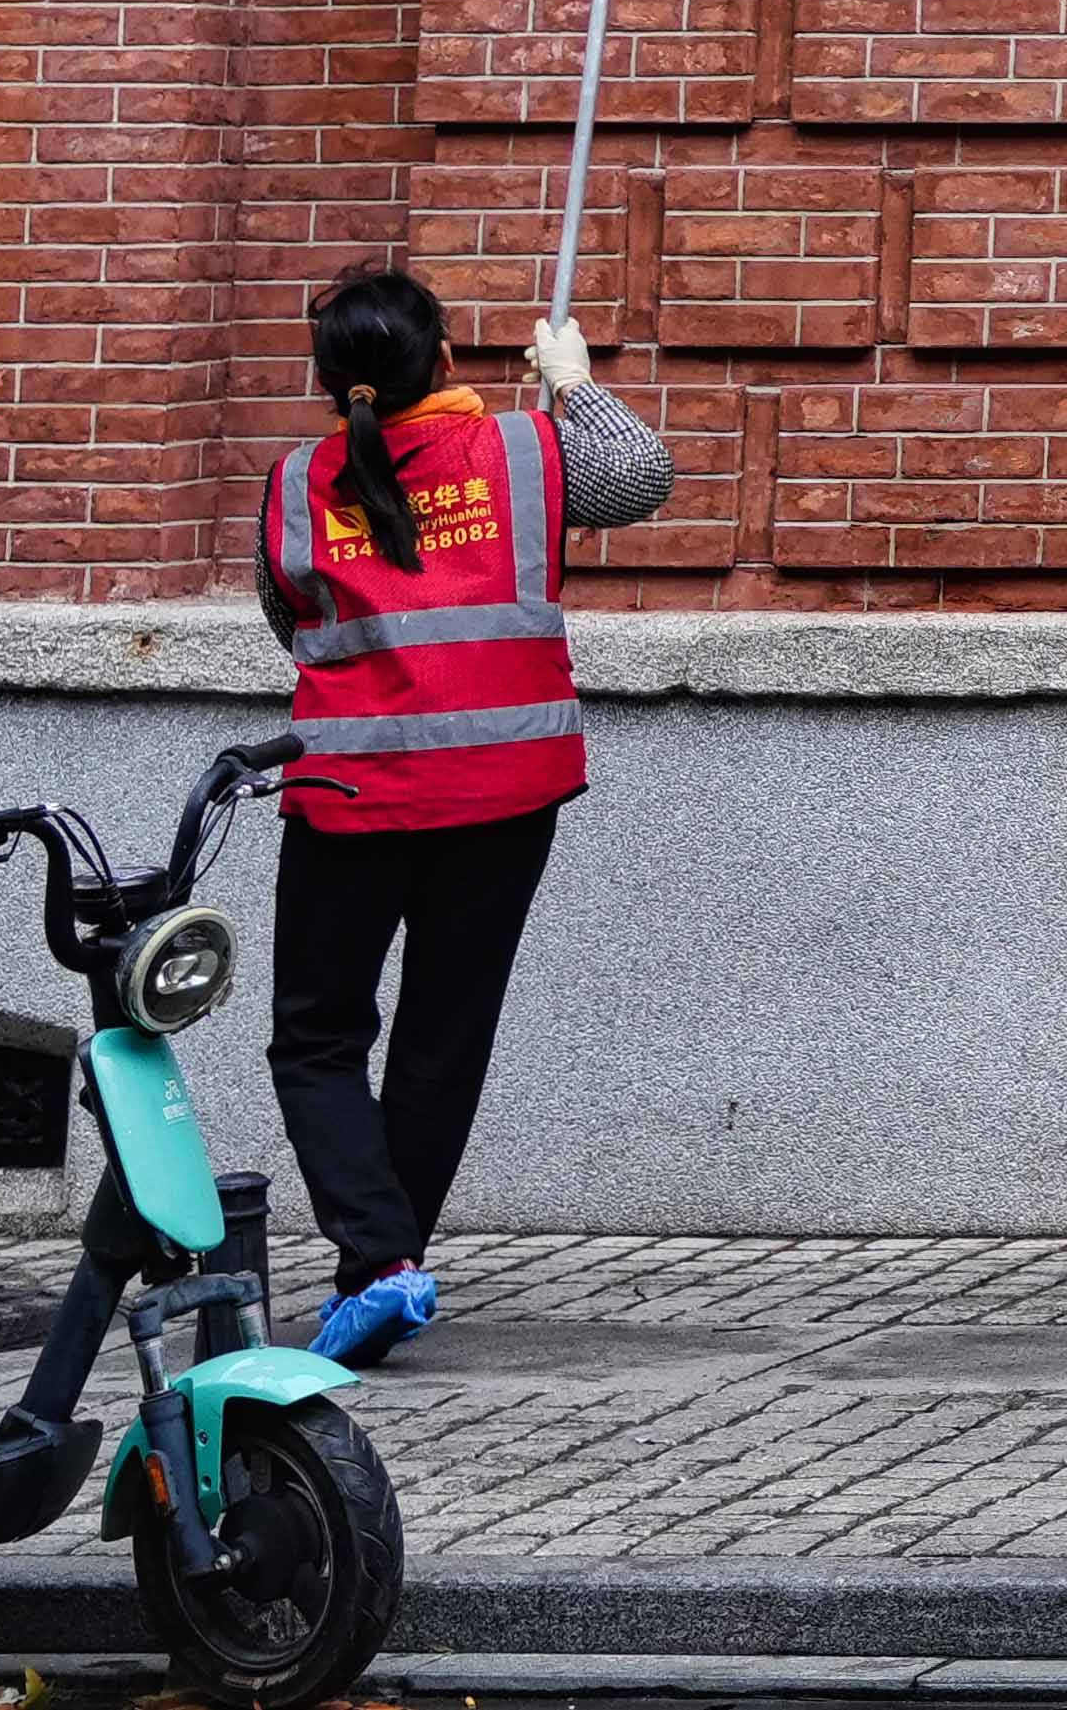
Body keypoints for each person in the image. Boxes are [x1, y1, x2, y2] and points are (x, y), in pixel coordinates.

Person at [250, 260, 673, 1367]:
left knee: (317, 1036)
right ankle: (381, 1270)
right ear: (443, 360)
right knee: (443, 1037)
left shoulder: (299, 482)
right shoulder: (528, 453)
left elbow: (285, 612)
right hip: (501, 796)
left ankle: (380, 1261)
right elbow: (639, 477)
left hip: (350, 800)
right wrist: (575, 386)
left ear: (329, 379)